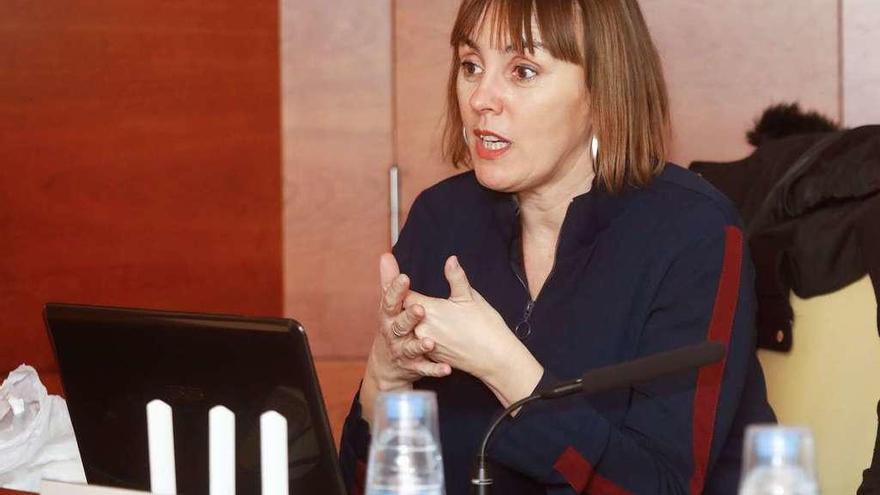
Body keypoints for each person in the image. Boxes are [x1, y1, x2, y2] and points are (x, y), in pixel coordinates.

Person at [340, 0, 775, 493]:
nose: (482, 97)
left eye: (523, 71)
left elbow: (664, 484)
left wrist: (505, 366)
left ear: (601, 91)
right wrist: (385, 377)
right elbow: (360, 481)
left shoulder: (693, 233)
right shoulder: (442, 219)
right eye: (470, 66)